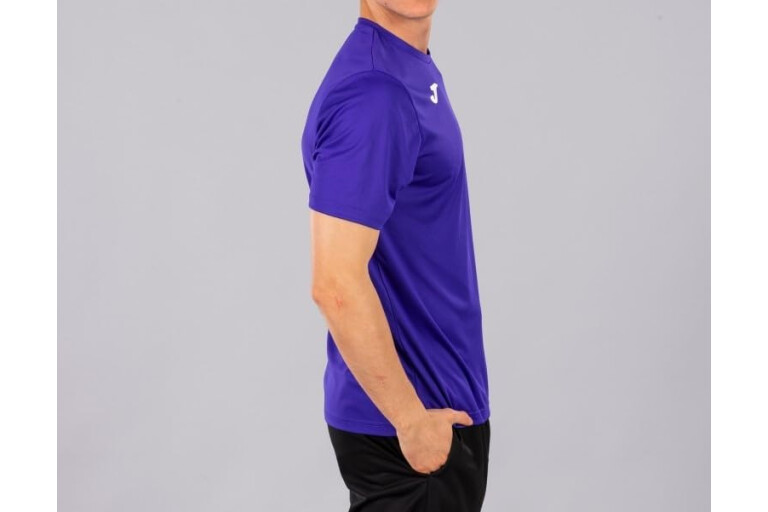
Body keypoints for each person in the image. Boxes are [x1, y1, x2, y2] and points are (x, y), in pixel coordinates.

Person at [301, 1, 491, 510]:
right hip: (409, 432)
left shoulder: (407, 68)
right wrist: (411, 421)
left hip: (431, 413)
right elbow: (335, 284)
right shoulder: (375, 94)